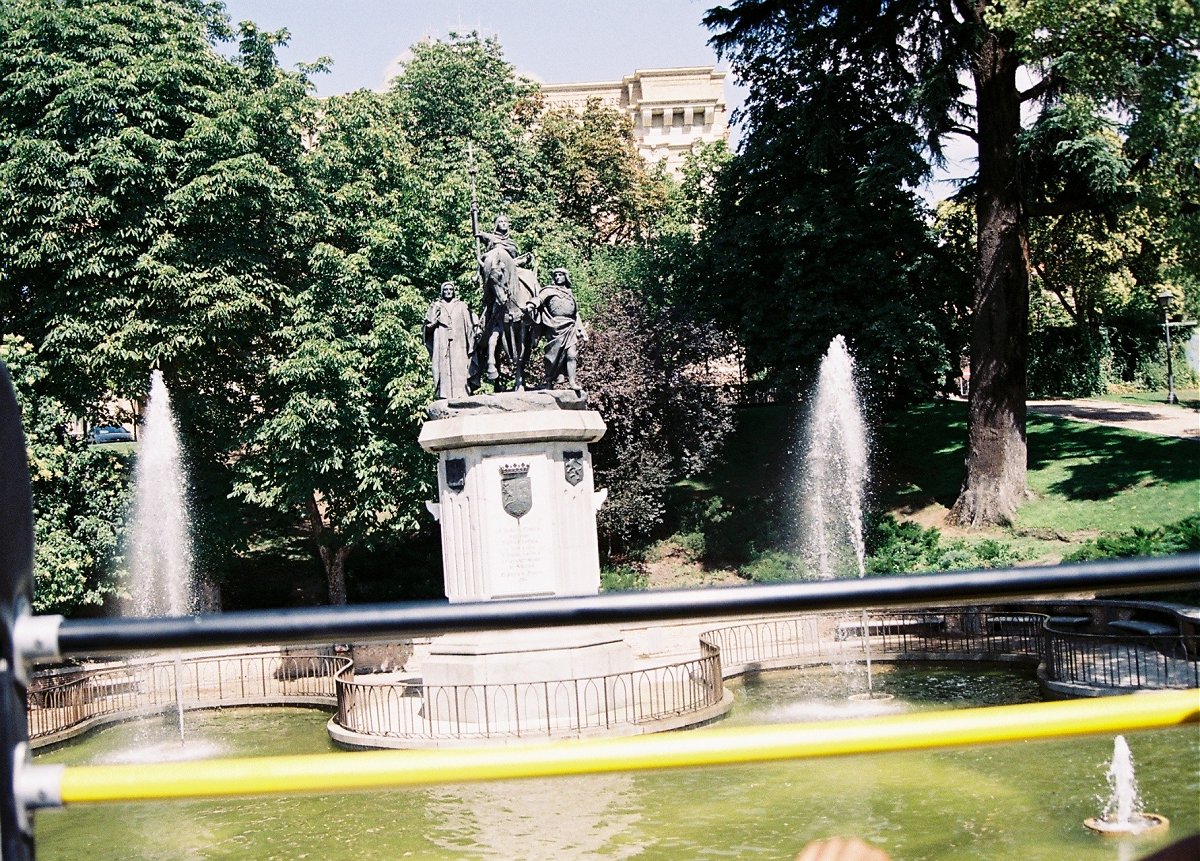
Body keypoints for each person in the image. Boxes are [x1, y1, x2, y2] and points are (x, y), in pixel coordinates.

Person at [526, 267, 586, 390]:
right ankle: (549, 381)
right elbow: (539, 299)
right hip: (555, 326)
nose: (558, 277)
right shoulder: (549, 290)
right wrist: (531, 304)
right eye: (556, 275)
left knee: (572, 355)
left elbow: (576, 313)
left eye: (560, 275)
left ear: (566, 277)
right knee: (552, 356)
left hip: (570, 326)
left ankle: (572, 382)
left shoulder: (569, 292)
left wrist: (581, 330)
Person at [423, 282, 477, 399]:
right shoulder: (436, 305)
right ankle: (444, 395)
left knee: (460, 365)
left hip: (459, 343)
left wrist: (473, 339)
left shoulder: (462, 306)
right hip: (442, 342)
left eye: (450, 289)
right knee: (442, 367)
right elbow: (428, 327)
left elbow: (470, 324)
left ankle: (462, 393)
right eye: (446, 289)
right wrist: (434, 318)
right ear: (442, 291)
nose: (448, 291)